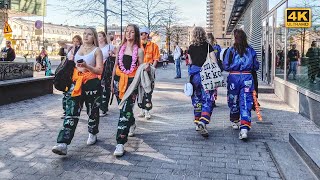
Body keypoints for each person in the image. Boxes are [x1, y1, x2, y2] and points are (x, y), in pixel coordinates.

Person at [52, 28, 103, 155]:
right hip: (76, 83)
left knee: (93, 111)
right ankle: (63, 143)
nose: (86, 36)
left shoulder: (97, 50)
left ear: (94, 37)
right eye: (85, 34)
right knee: (71, 111)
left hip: (91, 83)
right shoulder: (76, 48)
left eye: (89, 34)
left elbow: (99, 70)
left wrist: (87, 66)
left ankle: (92, 132)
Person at [111, 24, 144, 156]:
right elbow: (115, 66)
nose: (128, 33)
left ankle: (120, 143)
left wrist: (145, 70)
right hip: (119, 82)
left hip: (132, 83)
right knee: (124, 109)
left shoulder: (139, 51)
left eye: (131, 32)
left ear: (135, 35)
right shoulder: (120, 48)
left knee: (125, 111)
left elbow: (141, 69)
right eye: (126, 31)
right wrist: (111, 83)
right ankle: (132, 123)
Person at [223, 29, 259, 140]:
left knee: (233, 99)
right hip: (247, 78)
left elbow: (225, 65)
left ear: (235, 38)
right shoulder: (251, 50)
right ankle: (244, 128)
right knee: (246, 100)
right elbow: (256, 66)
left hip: (234, 77)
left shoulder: (231, 50)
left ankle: (234, 121)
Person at [188, 27, 216, 137]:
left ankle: (197, 121)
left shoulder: (190, 47)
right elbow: (213, 61)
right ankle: (203, 121)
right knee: (208, 98)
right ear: (203, 34)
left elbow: (190, 61)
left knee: (197, 99)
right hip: (206, 75)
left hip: (194, 76)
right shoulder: (208, 46)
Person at [137, 27, 160, 120]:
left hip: (149, 70)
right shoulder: (138, 46)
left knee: (148, 90)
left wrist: (152, 69)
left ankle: (147, 110)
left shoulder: (154, 46)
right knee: (140, 90)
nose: (142, 35)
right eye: (141, 34)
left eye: (143, 33)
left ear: (147, 34)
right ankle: (141, 109)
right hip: (140, 70)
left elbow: (156, 58)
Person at [61, 35, 83, 119]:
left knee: (72, 92)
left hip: (76, 73)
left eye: (77, 41)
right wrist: (70, 45)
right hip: (68, 72)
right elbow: (60, 43)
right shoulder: (70, 48)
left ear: (80, 42)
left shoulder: (81, 49)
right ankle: (66, 111)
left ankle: (72, 110)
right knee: (66, 92)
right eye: (74, 41)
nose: (75, 43)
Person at [98, 31, 116, 116]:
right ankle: (98, 105)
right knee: (98, 88)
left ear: (104, 37)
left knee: (105, 88)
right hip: (97, 70)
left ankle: (104, 108)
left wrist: (112, 55)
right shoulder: (95, 47)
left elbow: (118, 56)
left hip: (106, 70)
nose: (99, 38)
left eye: (100, 36)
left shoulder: (110, 46)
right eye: (98, 36)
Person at [207, 33, 222, 108]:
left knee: (213, 86)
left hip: (212, 68)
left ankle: (212, 100)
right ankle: (211, 100)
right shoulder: (215, 47)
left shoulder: (215, 47)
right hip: (211, 68)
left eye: (209, 38)